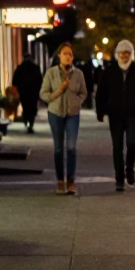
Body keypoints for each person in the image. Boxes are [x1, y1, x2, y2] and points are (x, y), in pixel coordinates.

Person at [96, 40, 135, 191]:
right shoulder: (109, 71)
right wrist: (101, 111)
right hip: (115, 115)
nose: (124, 56)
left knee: (132, 144)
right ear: (117, 55)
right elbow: (101, 92)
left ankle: (129, 169)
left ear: (131, 54)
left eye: (127, 53)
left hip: (132, 115)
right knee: (117, 146)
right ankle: (119, 178)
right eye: (121, 53)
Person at [40, 43, 87, 195]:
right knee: (58, 149)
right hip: (55, 113)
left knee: (71, 148)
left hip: (72, 115)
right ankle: (60, 181)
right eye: (65, 54)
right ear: (59, 56)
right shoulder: (51, 73)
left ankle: (71, 181)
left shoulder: (78, 74)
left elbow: (83, 92)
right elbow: (44, 94)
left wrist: (77, 103)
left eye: (70, 54)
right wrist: (58, 92)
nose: (68, 56)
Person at [12, 54, 43, 134]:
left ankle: (27, 121)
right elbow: (40, 80)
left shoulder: (20, 68)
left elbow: (14, 81)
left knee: (26, 107)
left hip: (24, 91)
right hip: (33, 91)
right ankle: (30, 124)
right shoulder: (36, 68)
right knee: (32, 108)